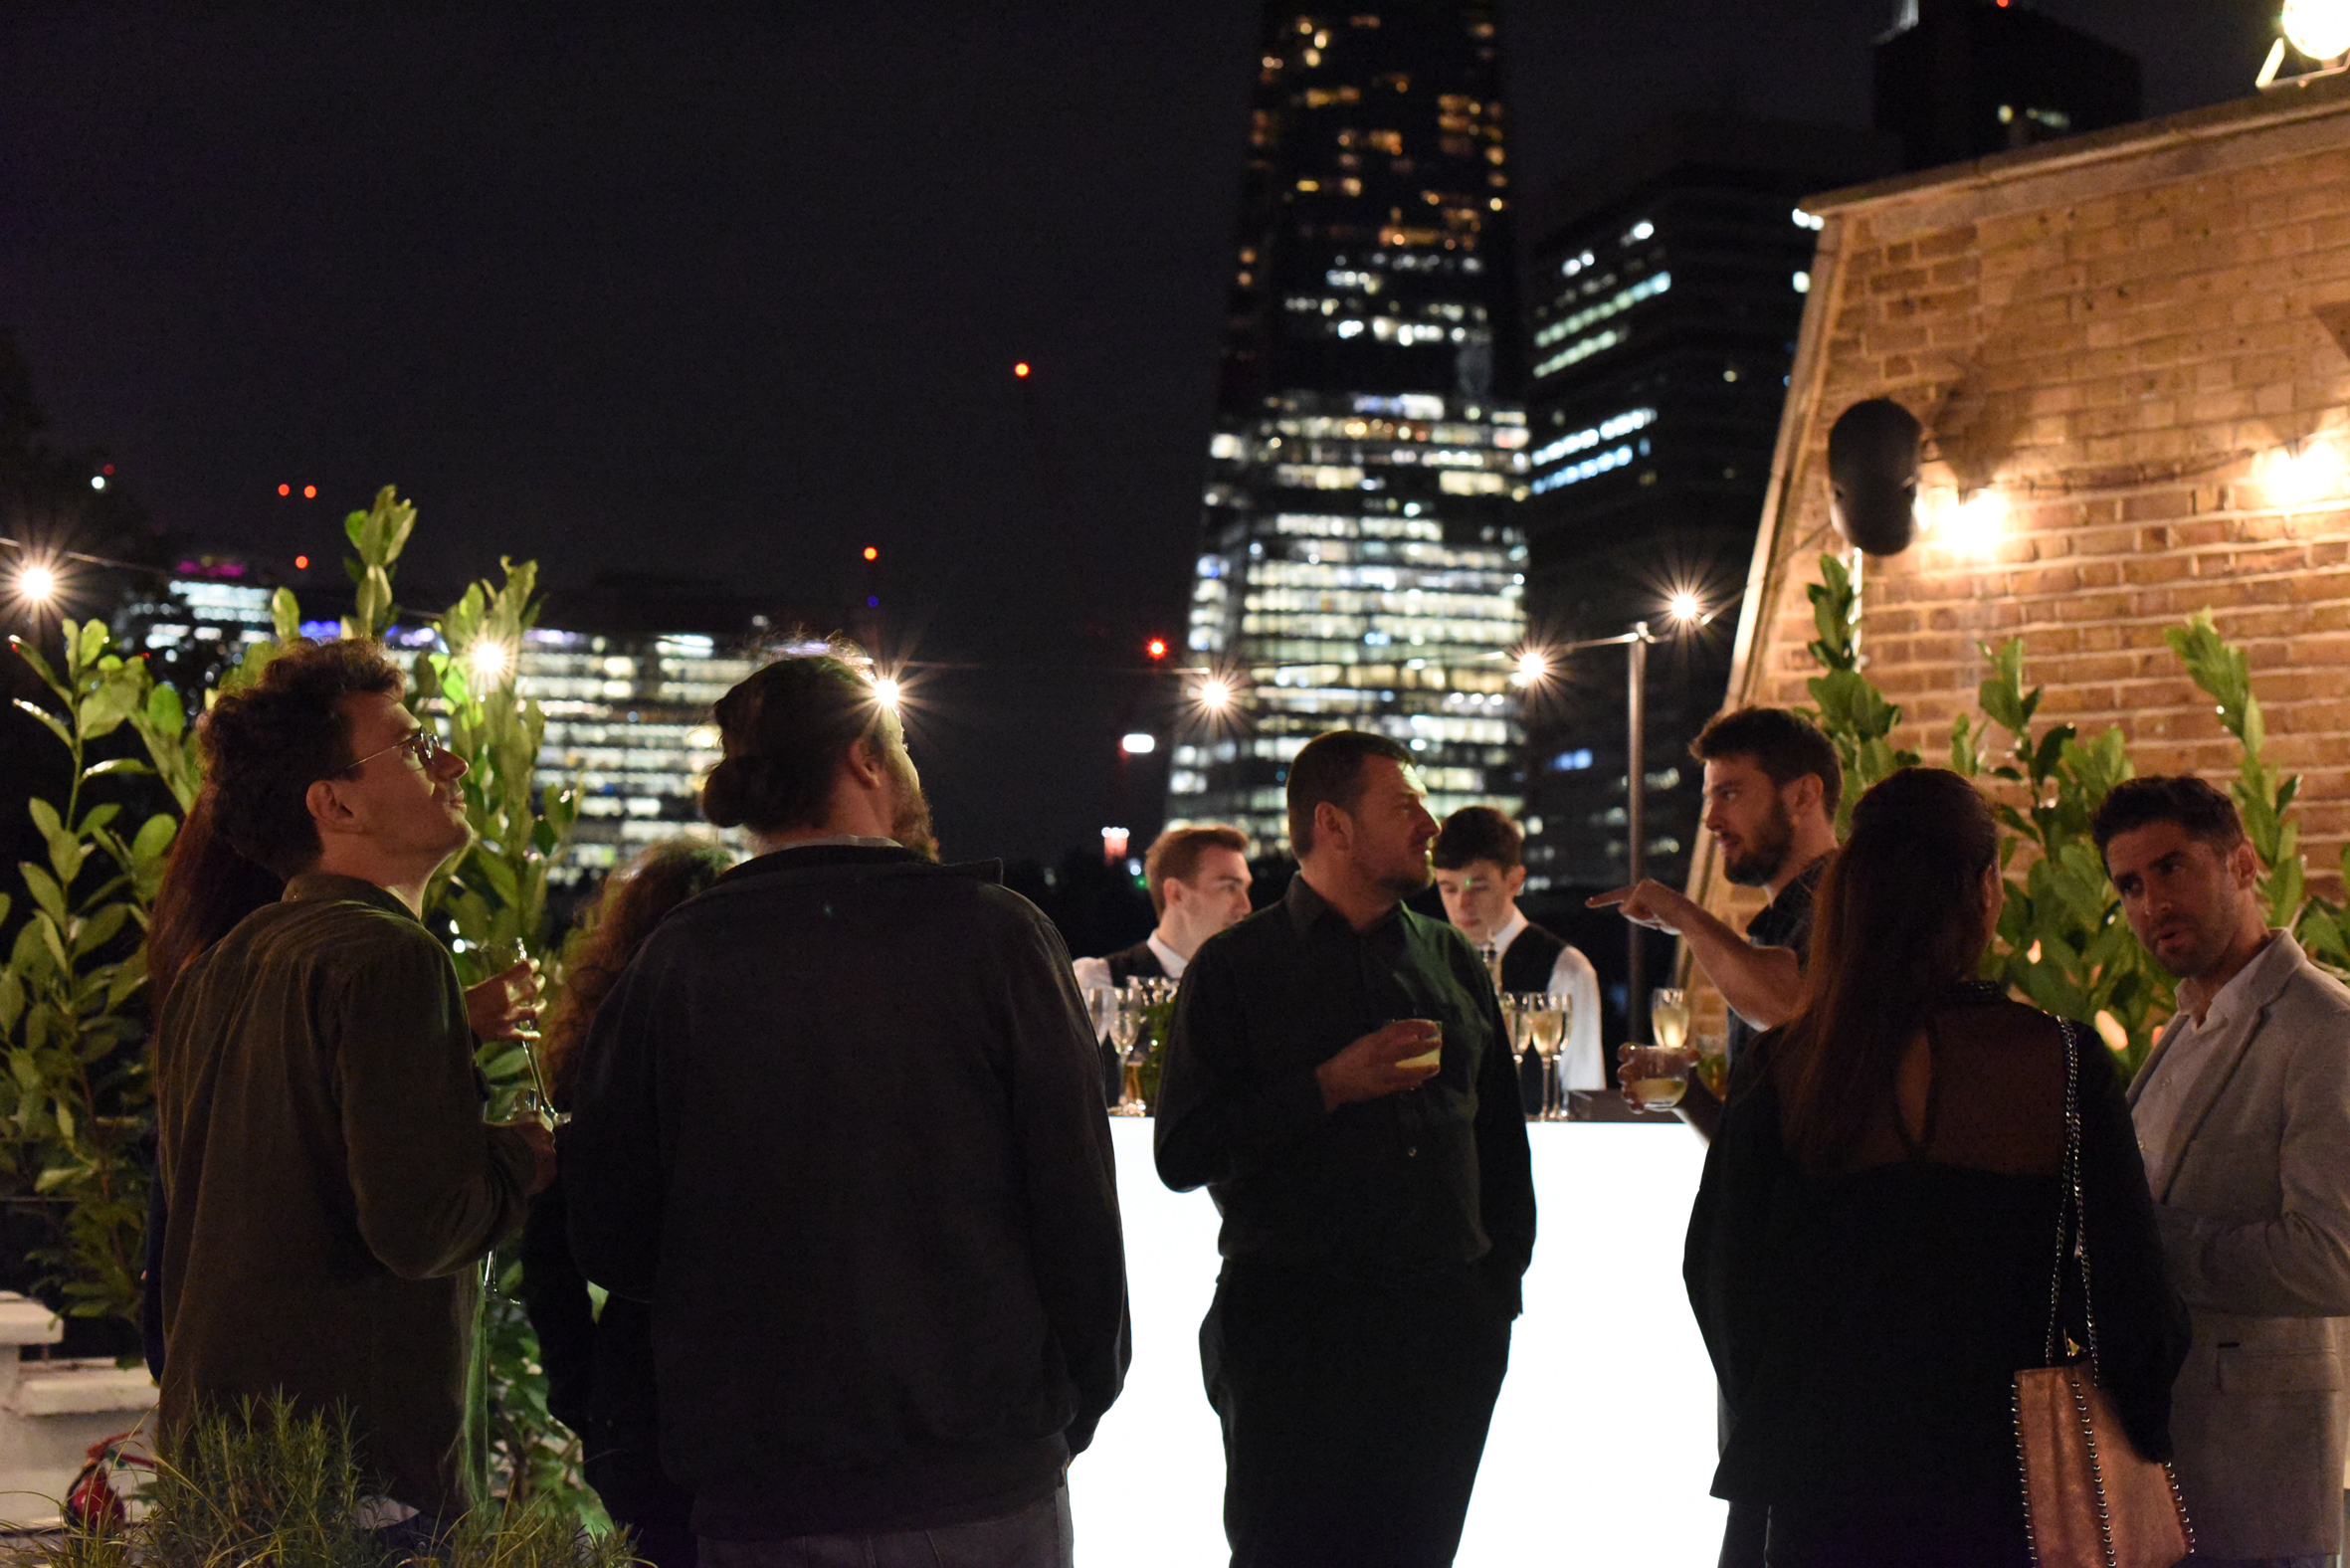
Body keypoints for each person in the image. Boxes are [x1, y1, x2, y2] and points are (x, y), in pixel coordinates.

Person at [563, 654, 1128, 1566]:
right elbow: (1078, 1210)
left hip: (764, 1491)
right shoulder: (998, 937)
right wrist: (1070, 1410)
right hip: (979, 1476)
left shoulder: (679, 960)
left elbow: (610, 1233)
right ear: (866, 757)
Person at [1687, 767, 2188, 1565]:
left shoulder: (1789, 1065)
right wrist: (2145, 1422)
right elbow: (2127, 1291)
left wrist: (1782, 1412)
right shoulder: (2056, 1061)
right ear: (1985, 890)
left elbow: (1721, 1276)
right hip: (2005, 1482)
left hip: (1827, 1481)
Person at [151, 638, 555, 1532]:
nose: (451, 763)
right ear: (334, 803)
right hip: (360, 1481)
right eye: (413, 747)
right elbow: (423, 1225)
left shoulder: (219, 967)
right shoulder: (390, 957)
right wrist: (527, 1154)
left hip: (217, 1472)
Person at [1156, 729, 1535, 1568]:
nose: (1430, 824)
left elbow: (1500, 1141)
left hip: (1444, 1335)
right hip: (1295, 1336)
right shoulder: (1235, 967)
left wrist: (1494, 1295)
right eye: (1405, 806)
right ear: (1333, 824)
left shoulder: (1450, 957)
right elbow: (1182, 1152)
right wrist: (1328, 1084)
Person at [2095, 775, 2350, 1564]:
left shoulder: (2325, 1030)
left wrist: (2149, 1246)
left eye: (2171, 868)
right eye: (2130, 886)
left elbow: (2334, 1258)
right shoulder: (2182, 1030)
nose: (2152, 903)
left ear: (2243, 864)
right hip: (2166, 1478)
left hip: (2264, 1492)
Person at [518, 841, 733, 1568]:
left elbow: (549, 1250)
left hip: (634, 1400)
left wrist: (582, 1392)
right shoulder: (759, 1062)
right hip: (706, 1403)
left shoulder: (596, 1060)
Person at [1591, 706, 1842, 1142]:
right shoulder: (1772, 930)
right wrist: (1686, 1092)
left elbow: (1793, 1011)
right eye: (1710, 797)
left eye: (1730, 794)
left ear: (1803, 796)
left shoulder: (1847, 908)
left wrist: (1686, 916)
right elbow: (1751, 1147)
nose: (1710, 820)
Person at [1432, 804, 1603, 1108]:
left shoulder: (1566, 969)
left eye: (1478, 887)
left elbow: (1585, 1092)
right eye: (1449, 889)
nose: (1462, 904)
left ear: (1514, 881)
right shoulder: (1431, 959)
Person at [1074, 824, 1253, 1101]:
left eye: (1246, 889)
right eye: (1229, 887)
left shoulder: (1245, 989)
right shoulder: (1097, 981)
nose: (1246, 907)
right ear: (1176, 893)